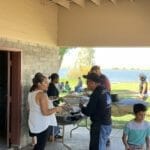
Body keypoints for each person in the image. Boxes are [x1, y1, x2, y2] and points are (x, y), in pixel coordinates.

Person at [28, 72, 63, 150]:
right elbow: (45, 112)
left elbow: (30, 108)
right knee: (40, 147)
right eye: (45, 82)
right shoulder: (42, 95)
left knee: (37, 146)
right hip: (41, 125)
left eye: (48, 82)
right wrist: (57, 109)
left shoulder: (31, 93)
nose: (48, 84)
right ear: (39, 84)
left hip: (33, 123)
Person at [80, 73, 112, 150]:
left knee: (96, 147)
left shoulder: (96, 93)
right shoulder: (104, 89)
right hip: (107, 123)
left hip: (99, 125)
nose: (86, 85)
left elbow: (88, 112)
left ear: (92, 83)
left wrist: (81, 107)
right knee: (102, 145)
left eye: (87, 82)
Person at [47, 73, 62, 140]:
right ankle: (52, 135)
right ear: (55, 79)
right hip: (52, 106)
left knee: (54, 120)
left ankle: (54, 134)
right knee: (53, 121)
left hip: (54, 105)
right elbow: (51, 97)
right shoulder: (51, 87)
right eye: (58, 78)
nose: (58, 79)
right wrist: (58, 98)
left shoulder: (52, 85)